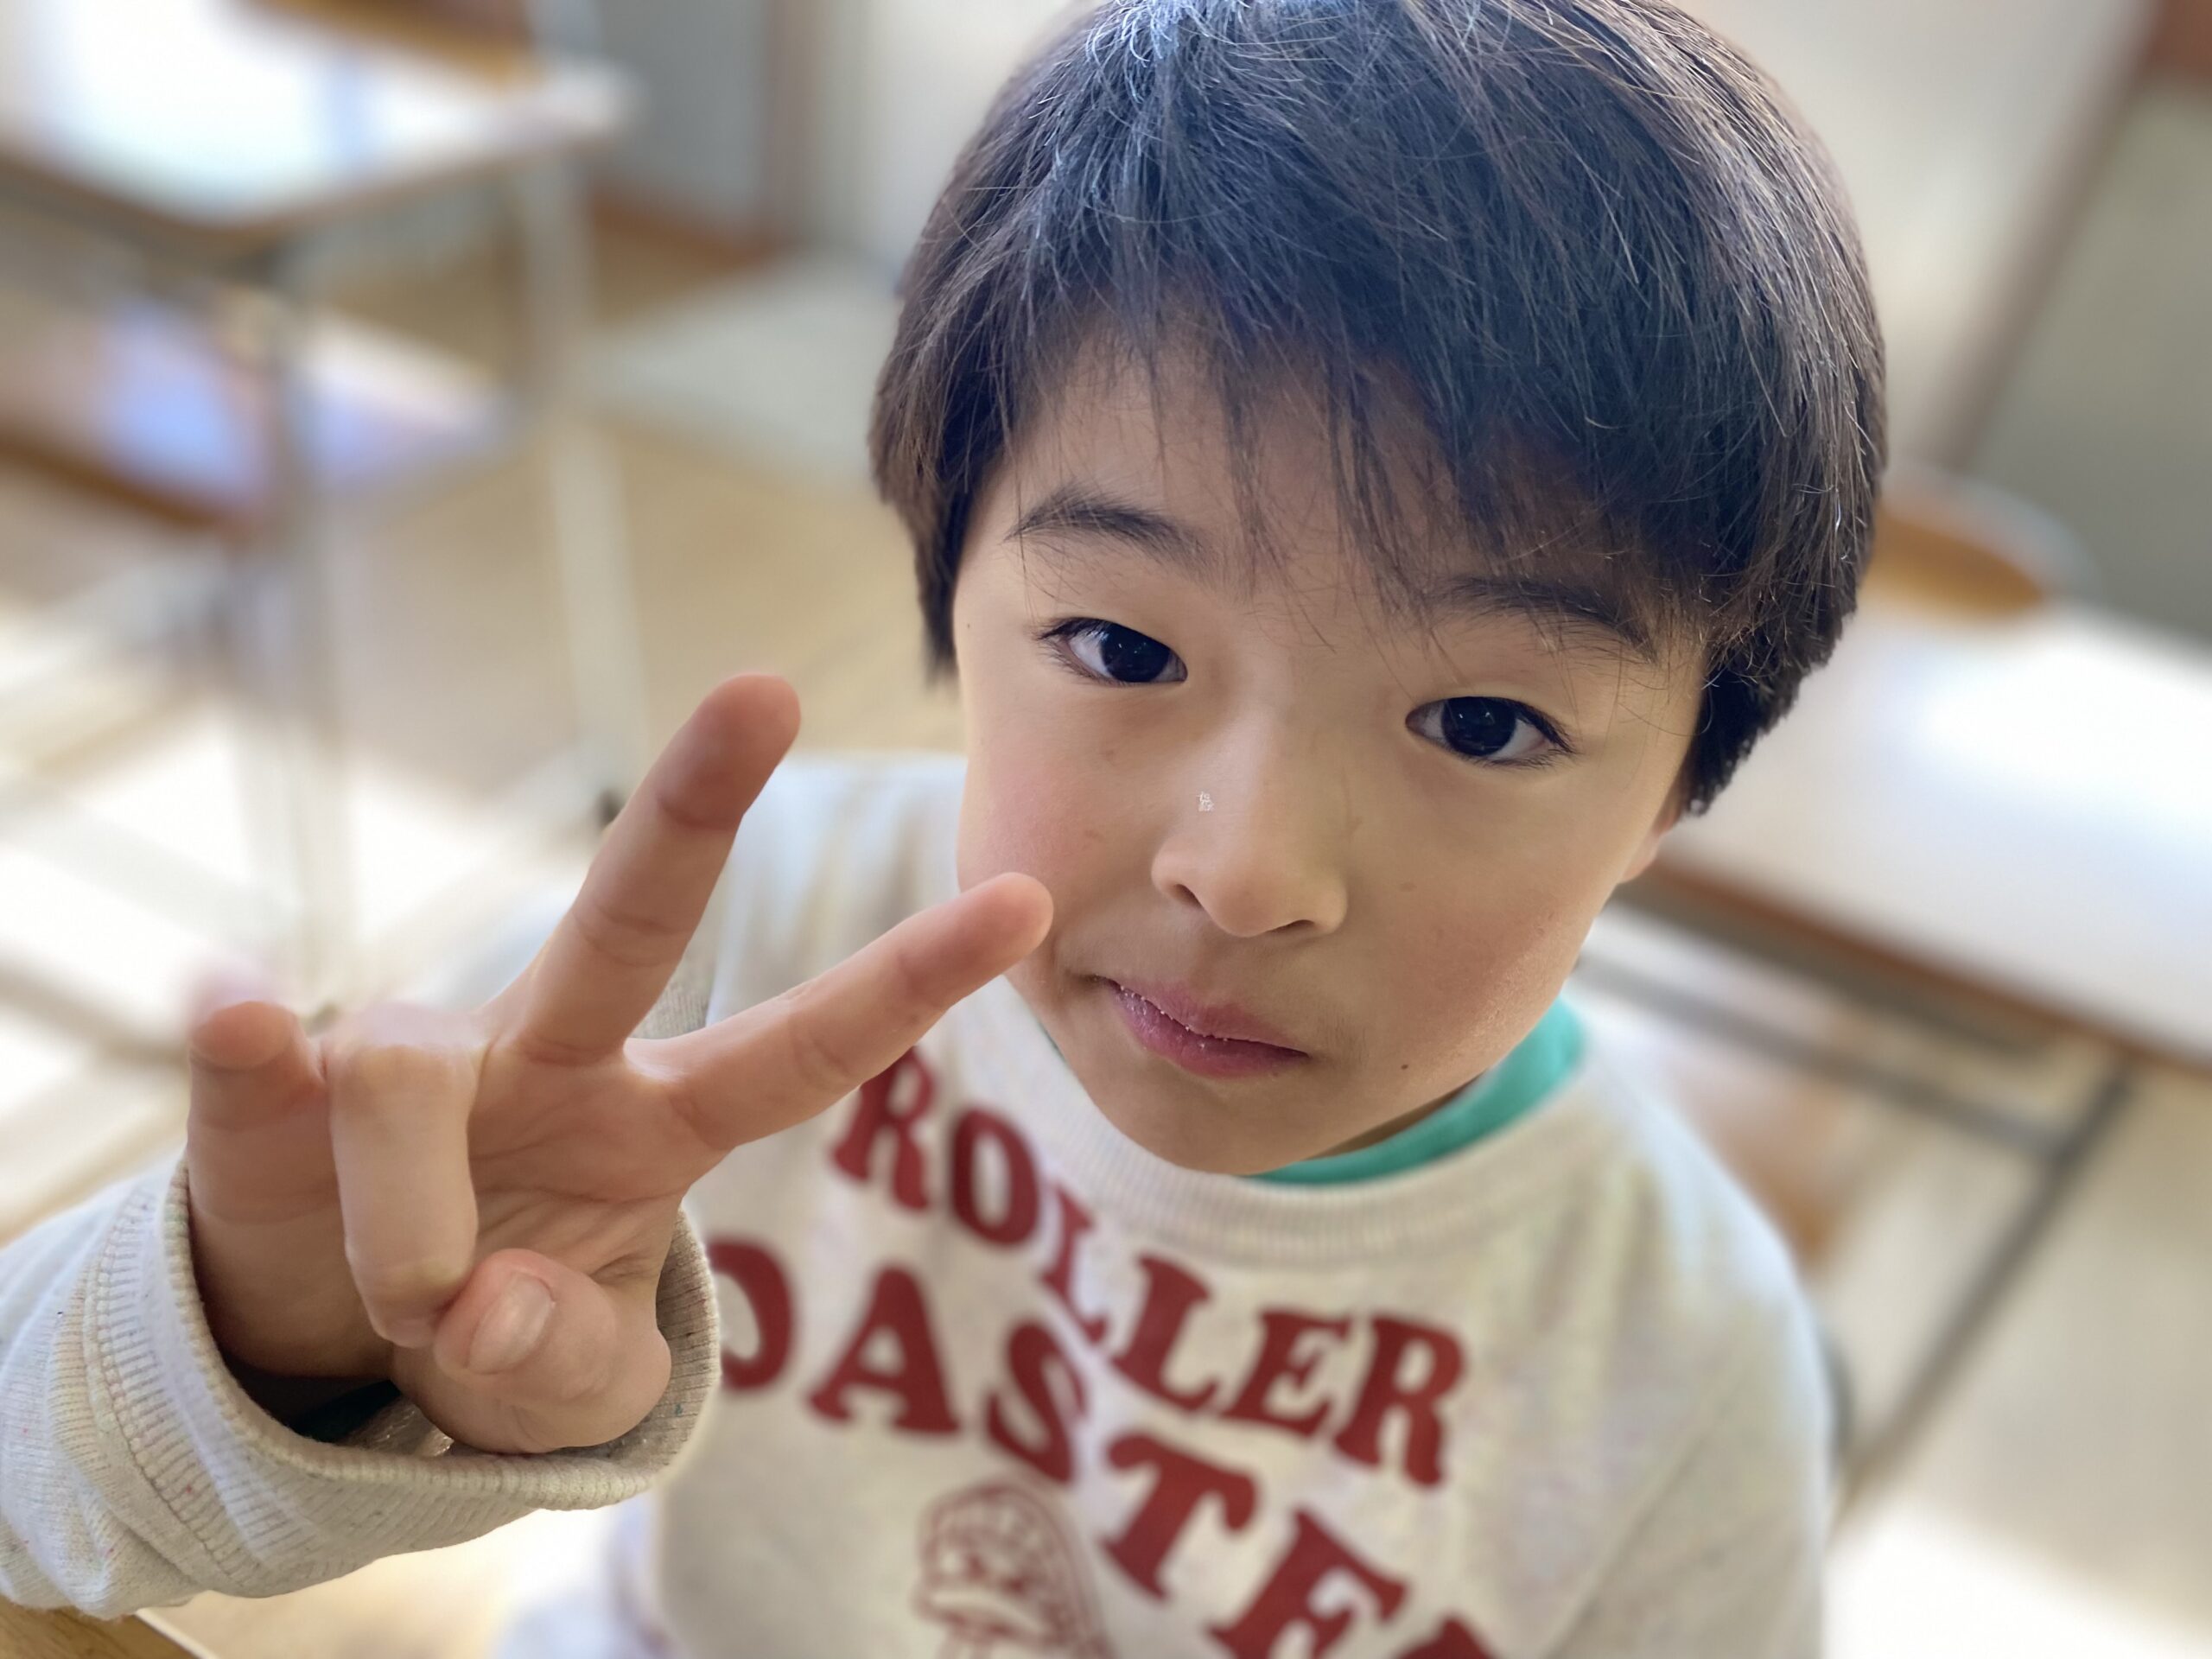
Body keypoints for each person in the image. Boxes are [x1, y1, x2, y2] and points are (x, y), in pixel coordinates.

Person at [0, 1, 1884, 1652]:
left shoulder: (1685, 1366)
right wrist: (268, 1342)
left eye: (1481, 722)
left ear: (1678, 791)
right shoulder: (752, 934)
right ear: (948, 580)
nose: (1241, 870)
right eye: (1123, 646)